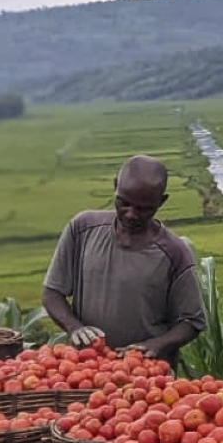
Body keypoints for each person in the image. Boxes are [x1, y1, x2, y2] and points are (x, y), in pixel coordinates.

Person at [42, 155, 207, 367]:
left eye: (143, 208)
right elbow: (52, 293)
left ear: (161, 201)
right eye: (123, 202)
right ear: (115, 187)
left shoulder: (174, 252)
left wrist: (157, 344)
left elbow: (192, 322)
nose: (130, 214)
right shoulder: (82, 229)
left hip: (147, 377)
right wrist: (75, 327)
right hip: (87, 369)